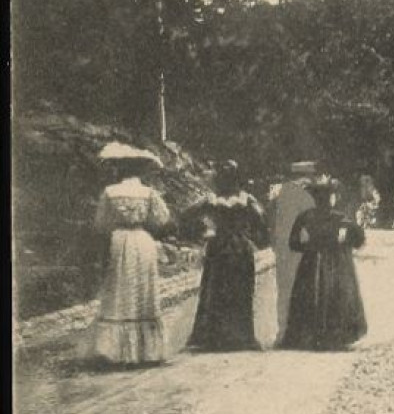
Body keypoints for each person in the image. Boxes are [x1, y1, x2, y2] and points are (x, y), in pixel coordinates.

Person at [86, 143, 174, 367]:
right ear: (140, 170)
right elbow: (162, 220)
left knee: (119, 289)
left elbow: (100, 224)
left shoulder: (110, 192)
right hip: (143, 241)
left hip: (119, 241)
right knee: (143, 290)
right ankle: (146, 351)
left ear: (120, 169)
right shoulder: (149, 192)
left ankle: (116, 351)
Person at [186, 162, 267, 352]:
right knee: (241, 288)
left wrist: (204, 229)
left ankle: (214, 335)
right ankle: (240, 335)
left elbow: (188, 214)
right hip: (239, 246)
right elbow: (261, 219)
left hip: (219, 245)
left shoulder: (210, 199)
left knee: (216, 288)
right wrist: (250, 232)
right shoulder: (247, 199)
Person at [280, 177, 368, 351]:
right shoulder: (341, 219)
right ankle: (334, 336)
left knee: (310, 294)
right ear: (331, 198)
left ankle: (310, 335)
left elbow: (293, 243)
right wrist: (342, 244)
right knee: (335, 293)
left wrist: (309, 247)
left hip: (311, 262)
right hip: (336, 264)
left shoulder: (306, 216)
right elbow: (359, 241)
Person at [268, 161, 317, 345]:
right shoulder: (307, 196)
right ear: (306, 176)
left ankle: (282, 333)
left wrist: (274, 241)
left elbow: (271, 220)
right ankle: (302, 333)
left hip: (282, 247)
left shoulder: (278, 194)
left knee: (284, 288)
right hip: (300, 248)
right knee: (303, 288)